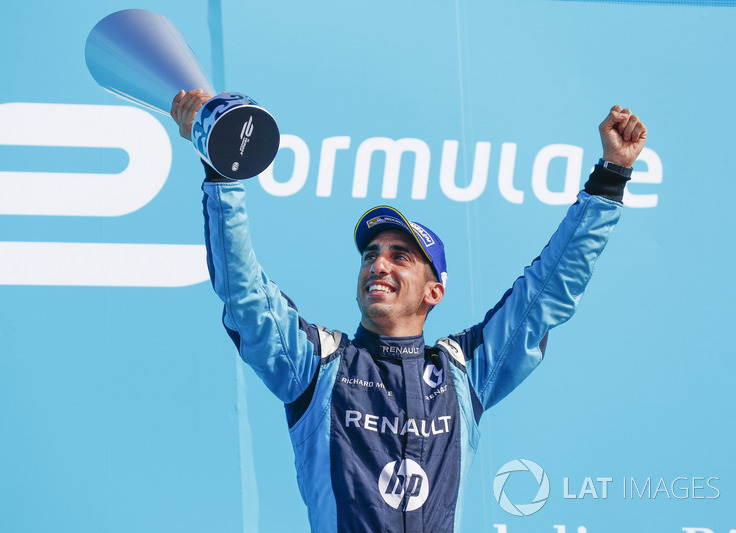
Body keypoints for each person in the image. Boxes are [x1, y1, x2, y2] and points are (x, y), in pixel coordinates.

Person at [172, 90, 647, 533]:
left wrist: (610, 177)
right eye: (370, 254)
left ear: (433, 292)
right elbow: (245, 294)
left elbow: (549, 291)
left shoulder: (465, 370)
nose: (378, 263)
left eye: (401, 257)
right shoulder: (317, 364)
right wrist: (223, 173)